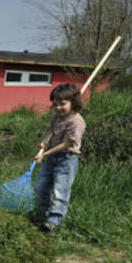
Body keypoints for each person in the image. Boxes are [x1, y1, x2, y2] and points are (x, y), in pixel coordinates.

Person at [33, 83, 86, 232]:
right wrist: (43, 145)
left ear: (73, 103)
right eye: (55, 104)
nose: (58, 108)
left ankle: (54, 220)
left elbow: (65, 144)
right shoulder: (56, 117)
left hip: (66, 159)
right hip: (51, 158)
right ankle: (43, 214)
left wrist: (44, 154)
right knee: (40, 186)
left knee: (60, 190)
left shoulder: (77, 122)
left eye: (62, 104)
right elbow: (51, 134)